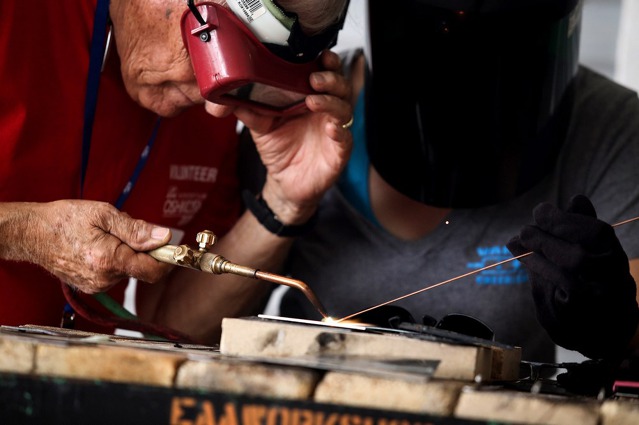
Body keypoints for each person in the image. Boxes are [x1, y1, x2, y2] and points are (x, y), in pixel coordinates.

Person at [265, 0, 639, 365]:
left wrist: (617, 328)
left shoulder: (613, 126)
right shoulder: (304, 110)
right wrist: (284, 204)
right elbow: (205, 322)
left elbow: (631, 330)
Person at [0, 0, 353, 344]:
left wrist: (284, 202)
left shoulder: (214, 114)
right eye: (208, 44)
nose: (215, 105)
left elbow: (172, 327)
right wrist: (28, 233)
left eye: (242, 71)